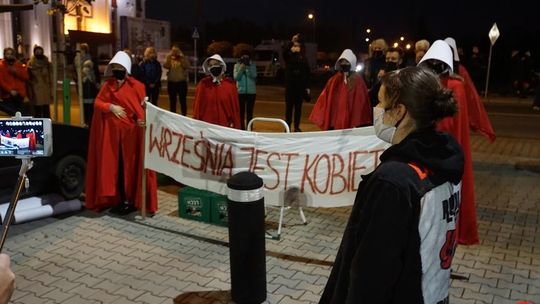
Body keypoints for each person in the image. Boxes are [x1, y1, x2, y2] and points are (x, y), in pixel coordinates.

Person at [319, 67, 464, 304]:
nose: (376, 112)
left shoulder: (394, 181)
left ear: (399, 112)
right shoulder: (445, 159)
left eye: (381, 104)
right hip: (433, 293)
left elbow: (371, 273)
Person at [419, 40, 478, 245]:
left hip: (445, 148)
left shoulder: (457, 86)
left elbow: (455, 123)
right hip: (427, 146)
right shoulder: (425, 84)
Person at [85, 51, 158, 215]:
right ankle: (117, 199)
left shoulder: (137, 86)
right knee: (114, 168)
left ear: (126, 69)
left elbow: (142, 109)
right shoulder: (108, 85)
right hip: (111, 136)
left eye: (120, 67)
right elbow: (98, 102)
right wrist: (110, 107)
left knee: (129, 168)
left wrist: (142, 120)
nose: (117, 70)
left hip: (130, 136)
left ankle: (130, 201)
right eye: (115, 67)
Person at [444, 37, 496, 142]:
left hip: (451, 114)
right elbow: (471, 96)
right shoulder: (460, 70)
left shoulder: (459, 70)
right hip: (449, 114)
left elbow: (470, 94)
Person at [309, 49, 372, 130]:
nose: (344, 64)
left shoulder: (358, 80)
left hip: (352, 123)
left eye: (346, 62)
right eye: (342, 62)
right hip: (335, 120)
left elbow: (361, 102)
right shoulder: (334, 80)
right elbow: (325, 98)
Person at [193, 54, 241, 129]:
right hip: (206, 128)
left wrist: (236, 128)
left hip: (224, 128)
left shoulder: (230, 86)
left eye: (215, 64)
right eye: (210, 65)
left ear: (221, 65)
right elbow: (197, 107)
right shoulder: (203, 84)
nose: (213, 67)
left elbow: (235, 110)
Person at [283, 34, 311, 132]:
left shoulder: (303, 59)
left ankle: (296, 127)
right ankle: (287, 127)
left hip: (300, 87)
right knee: (289, 109)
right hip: (290, 87)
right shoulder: (288, 57)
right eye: (294, 46)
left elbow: (307, 73)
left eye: (297, 46)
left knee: (298, 109)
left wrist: (307, 87)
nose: (295, 48)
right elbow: (284, 53)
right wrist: (291, 42)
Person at [0, 47, 29, 116]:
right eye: (7, 54)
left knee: (21, 114)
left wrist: (16, 72)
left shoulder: (18, 64)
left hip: (19, 94)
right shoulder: (1, 65)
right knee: (12, 114)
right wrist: (10, 90)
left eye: (11, 54)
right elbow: (1, 81)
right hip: (7, 95)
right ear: (4, 55)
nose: (9, 56)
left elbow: (26, 77)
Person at [163, 45, 191, 115]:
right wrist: (169, 57)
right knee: (172, 101)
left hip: (181, 82)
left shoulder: (182, 58)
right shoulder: (170, 58)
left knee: (183, 101)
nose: (174, 52)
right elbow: (166, 66)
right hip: (172, 82)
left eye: (176, 51)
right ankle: (173, 116)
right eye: (173, 50)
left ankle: (184, 115)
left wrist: (182, 57)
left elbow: (187, 66)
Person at [27, 45, 53, 118]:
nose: (38, 53)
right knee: (37, 107)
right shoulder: (31, 63)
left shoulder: (47, 63)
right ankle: (38, 122)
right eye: (37, 51)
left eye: (40, 51)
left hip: (45, 87)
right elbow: (28, 77)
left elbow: (51, 74)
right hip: (36, 87)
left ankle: (47, 121)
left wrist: (51, 87)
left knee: (46, 107)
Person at [233, 52, 257, 130]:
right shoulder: (237, 66)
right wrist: (241, 68)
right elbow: (236, 77)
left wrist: (248, 68)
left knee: (250, 113)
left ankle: (249, 128)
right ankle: (241, 128)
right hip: (240, 92)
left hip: (251, 92)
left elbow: (254, 75)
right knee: (241, 113)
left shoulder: (252, 65)